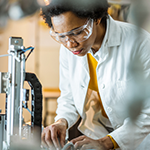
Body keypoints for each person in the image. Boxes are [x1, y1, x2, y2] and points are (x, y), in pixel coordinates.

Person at [41, 0, 150, 149]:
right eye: (61, 36)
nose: (70, 44)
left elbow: (147, 112)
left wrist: (107, 142)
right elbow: (69, 97)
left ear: (96, 18)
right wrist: (61, 121)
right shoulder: (68, 50)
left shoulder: (140, 43)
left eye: (78, 32)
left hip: (139, 142)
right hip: (97, 135)